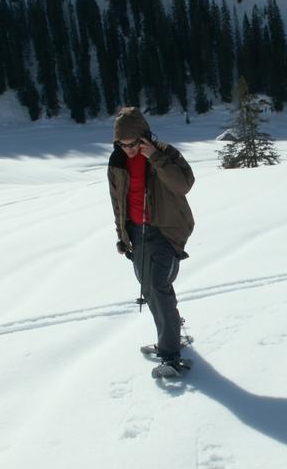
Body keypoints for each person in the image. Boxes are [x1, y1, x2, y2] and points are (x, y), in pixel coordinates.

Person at [108, 107, 195, 376]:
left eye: (133, 144)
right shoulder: (117, 161)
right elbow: (117, 201)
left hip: (165, 231)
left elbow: (183, 185)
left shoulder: (165, 153)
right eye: (122, 144)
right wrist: (122, 235)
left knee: (158, 287)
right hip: (136, 233)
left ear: (143, 137)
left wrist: (155, 158)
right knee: (149, 288)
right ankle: (171, 335)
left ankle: (170, 356)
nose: (129, 150)